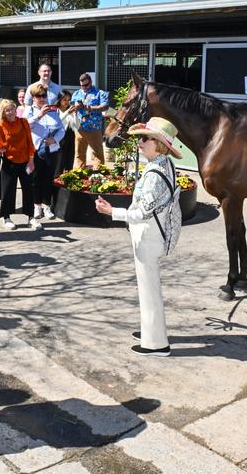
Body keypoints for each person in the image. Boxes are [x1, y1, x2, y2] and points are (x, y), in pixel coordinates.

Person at [95, 117, 183, 357]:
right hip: (151, 234)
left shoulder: (155, 173)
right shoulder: (162, 164)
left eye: (145, 138)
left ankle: (156, 344)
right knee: (148, 288)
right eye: (140, 138)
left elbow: (142, 213)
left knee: (149, 289)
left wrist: (111, 211)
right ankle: (150, 332)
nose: (139, 142)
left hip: (148, 236)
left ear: (160, 144)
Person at [0, 99, 37, 230]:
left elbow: (30, 142)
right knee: (7, 191)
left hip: (25, 161)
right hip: (9, 162)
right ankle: (6, 217)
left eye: (12, 108)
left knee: (29, 190)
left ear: (16, 108)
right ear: (3, 112)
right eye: (7, 110)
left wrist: (31, 160)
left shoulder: (23, 122)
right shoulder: (0, 125)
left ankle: (31, 217)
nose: (10, 112)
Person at [25, 83, 65, 222]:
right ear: (33, 97)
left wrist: (54, 139)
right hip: (35, 150)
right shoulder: (29, 110)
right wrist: (40, 115)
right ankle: (37, 206)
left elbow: (61, 129)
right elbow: (26, 125)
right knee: (36, 179)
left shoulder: (53, 110)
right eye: (39, 96)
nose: (42, 99)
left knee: (48, 178)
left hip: (51, 149)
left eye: (44, 96)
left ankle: (47, 206)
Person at [71, 73, 109, 168]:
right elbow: (70, 107)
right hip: (79, 127)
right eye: (82, 85)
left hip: (94, 128)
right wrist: (75, 106)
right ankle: (79, 174)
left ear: (91, 82)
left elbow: (105, 106)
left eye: (86, 85)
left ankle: (98, 176)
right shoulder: (77, 93)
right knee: (79, 153)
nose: (84, 87)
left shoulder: (100, 93)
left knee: (97, 153)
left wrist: (90, 108)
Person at [55, 89, 76, 176]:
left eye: (68, 100)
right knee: (59, 164)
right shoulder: (55, 110)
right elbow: (57, 122)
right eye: (64, 99)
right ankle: (56, 185)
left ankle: (67, 183)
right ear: (59, 100)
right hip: (59, 139)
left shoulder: (70, 110)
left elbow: (76, 127)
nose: (67, 102)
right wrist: (68, 112)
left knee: (69, 163)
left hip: (70, 137)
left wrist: (76, 114)